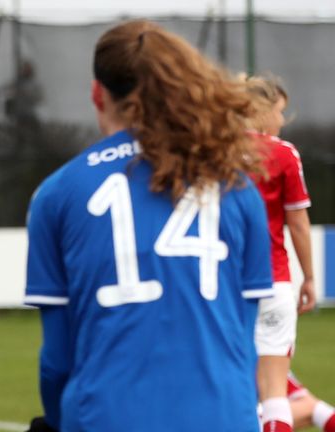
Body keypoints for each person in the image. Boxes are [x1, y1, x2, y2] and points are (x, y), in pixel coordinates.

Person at [24, 20, 273, 431]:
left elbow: (57, 360)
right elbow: (243, 344)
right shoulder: (238, 189)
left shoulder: (57, 194)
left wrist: (56, 418)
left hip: (105, 417)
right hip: (226, 416)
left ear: (96, 93)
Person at [245, 74, 315, 432]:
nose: (281, 121)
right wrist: (311, 278)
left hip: (225, 288)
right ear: (262, 109)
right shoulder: (283, 153)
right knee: (274, 392)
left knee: (235, 386)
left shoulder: (214, 151)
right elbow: (299, 224)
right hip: (273, 281)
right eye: (279, 111)